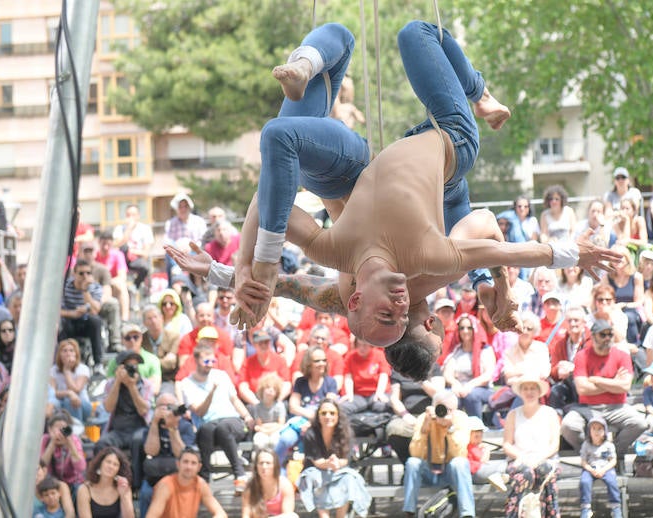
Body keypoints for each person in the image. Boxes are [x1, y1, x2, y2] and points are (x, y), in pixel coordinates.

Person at [232, 21, 617, 348]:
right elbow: (513, 250)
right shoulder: (428, 259)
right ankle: (479, 94)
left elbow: (264, 204)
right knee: (415, 33)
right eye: (402, 316)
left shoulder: (331, 251)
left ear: (355, 301)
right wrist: (570, 255)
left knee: (286, 126)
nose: (402, 305)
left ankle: (305, 64)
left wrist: (244, 269)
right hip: (451, 138)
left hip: (361, 164)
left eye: (389, 313)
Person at [561, 319, 646, 456]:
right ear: (593, 337)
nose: (607, 338)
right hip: (587, 407)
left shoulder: (622, 356)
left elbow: (624, 386)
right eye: (602, 335)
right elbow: (582, 389)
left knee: (639, 423)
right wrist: (613, 382)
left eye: (610, 335)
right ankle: (590, 454)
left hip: (617, 407)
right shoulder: (582, 356)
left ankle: (614, 454)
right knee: (568, 426)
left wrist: (596, 380)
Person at [177, 342, 254, 491]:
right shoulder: (186, 384)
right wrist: (211, 392)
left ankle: (240, 475)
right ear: (196, 361)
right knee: (209, 428)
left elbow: (234, 400)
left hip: (231, 421)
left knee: (223, 427)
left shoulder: (221, 376)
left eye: (213, 361)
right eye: (206, 361)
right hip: (208, 428)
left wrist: (247, 416)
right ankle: (205, 479)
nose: (210, 365)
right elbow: (199, 412)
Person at [402, 390, 475, 518]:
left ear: (455, 409)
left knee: (460, 463)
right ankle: (409, 511)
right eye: (441, 408)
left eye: (450, 409)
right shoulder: (424, 418)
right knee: (412, 463)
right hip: (429, 471)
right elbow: (415, 453)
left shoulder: (461, 418)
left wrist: (450, 428)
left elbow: (460, 453)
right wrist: (426, 428)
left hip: (450, 471)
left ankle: (467, 514)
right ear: (434, 407)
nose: (445, 412)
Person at [297, 400, 371, 517]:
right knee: (315, 477)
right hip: (315, 469)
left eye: (332, 413)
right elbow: (317, 462)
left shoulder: (346, 432)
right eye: (324, 413)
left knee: (348, 478)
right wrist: (330, 463)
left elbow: (345, 459)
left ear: (338, 415)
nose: (328, 416)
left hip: (338, 469)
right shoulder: (311, 433)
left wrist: (336, 463)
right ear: (318, 415)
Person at [501, 375, 560, 518]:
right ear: (520, 393)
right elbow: (507, 444)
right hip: (519, 461)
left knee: (543, 470)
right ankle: (514, 514)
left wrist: (539, 458)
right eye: (526, 389)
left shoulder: (550, 413)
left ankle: (547, 514)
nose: (529, 392)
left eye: (533, 388)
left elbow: (554, 445)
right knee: (525, 473)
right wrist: (522, 457)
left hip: (545, 459)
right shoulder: (513, 415)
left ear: (539, 391)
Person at [96, 350, 154, 490]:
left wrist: (131, 386)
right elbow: (108, 407)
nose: (132, 369)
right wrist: (117, 382)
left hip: (139, 427)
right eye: (128, 366)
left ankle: (136, 485)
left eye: (135, 366)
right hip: (118, 430)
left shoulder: (145, 384)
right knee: (102, 443)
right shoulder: (110, 383)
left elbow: (143, 410)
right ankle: (105, 484)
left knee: (137, 441)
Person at [275, 346, 339, 465]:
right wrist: (310, 417)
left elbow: (328, 409)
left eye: (324, 360)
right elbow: (293, 406)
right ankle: (275, 470)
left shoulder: (330, 382)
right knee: (285, 439)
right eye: (317, 361)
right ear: (308, 363)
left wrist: (312, 422)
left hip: (321, 425)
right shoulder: (300, 382)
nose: (322, 364)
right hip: (300, 424)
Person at [138, 393, 196, 517]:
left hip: (177, 475)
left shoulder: (185, 426)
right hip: (155, 476)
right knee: (146, 493)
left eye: (169, 406)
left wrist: (173, 428)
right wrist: (154, 424)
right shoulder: (151, 426)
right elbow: (150, 451)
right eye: (162, 406)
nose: (166, 410)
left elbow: (181, 454)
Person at [146, 448, 227, 518]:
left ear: (199, 467)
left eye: (193, 463)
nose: (189, 467)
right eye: (185, 462)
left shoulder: (200, 484)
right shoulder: (166, 485)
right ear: (178, 464)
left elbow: (221, 513)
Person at [441, 314, 494, 418]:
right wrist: (455, 384)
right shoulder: (456, 351)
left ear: (475, 329)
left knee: (471, 395)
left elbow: (488, 375)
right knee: (447, 396)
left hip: (481, 388)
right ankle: (452, 429)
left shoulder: (485, 350)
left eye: (469, 327)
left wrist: (470, 385)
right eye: (462, 328)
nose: (465, 331)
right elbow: (448, 374)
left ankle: (476, 427)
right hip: (459, 388)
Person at [59, 260, 105, 372]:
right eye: (81, 273)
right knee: (62, 323)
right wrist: (73, 314)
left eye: (88, 273)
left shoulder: (95, 287)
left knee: (96, 321)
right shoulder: (65, 286)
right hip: (69, 322)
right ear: (74, 274)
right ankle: (63, 361)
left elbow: (96, 309)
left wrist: (85, 291)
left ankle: (98, 363)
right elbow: (57, 310)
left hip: (86, 322)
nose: (85, 276)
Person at [579, 416, 622, 518]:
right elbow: (583, 461)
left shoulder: (608, 445)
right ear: (589, 431)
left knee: (612, 481)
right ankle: (586, 507)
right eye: (593, 429)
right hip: (591, 468)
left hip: (605, 468)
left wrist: (603, 469)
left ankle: (615, 506)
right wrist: (591, 470)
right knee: (584, 481)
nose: (596, 432)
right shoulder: (586, 444)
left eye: (599, 429)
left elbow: (613, 460)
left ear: (605, 431)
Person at [339, 336, 391, 417]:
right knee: (343, 407)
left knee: (381, 405)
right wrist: (349, 394)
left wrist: (379, 393)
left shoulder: (379, 355)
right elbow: (348, 377)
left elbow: (383, 375)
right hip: (358, 395)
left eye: (365, 345)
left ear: (371, 345)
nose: (361, 348)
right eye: (359, 345)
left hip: (376, 392)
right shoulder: (350, 357)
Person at [76, 446, 134, 518]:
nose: (111, 466)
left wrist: (124, 496)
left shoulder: (123, 488)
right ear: (100, 464)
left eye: (115, 464)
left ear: (119, 470)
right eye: (108, 462)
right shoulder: (84, 489)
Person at [106, 323, 162, 396]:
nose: (132, 341)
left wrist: (137, 383)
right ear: (122, 340)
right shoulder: (115, 361)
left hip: (146, 401)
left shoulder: (153, 360)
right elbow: (109, 390)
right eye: (128, 338)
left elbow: (155, 389)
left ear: (141, 338)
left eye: (136, 337)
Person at [163, 193, 207, 285]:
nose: (183, 209)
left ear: (189, 207)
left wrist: (191, 247)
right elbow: (167, 241)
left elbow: (203, 240)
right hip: (177, 252)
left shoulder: (199, 221)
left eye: (185, 206)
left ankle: (194, 285)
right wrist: (178, 248)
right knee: (169, 251)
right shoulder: (170, 223)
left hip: (194, 251)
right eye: (180, 207)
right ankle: (175, 277)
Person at [241, 448, 298, 518]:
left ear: (275, 465)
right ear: (256, 466)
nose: (264, 467)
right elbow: (246, 515)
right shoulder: (250, 487)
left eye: (268, 463)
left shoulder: (285, 485)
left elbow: (287, 514)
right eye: (261, 463)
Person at [40, 411, 87, 497]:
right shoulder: (45, 439)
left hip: (73, 483)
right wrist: (52, 443)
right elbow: (42, 465)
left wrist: (70, 443)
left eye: (64, 428)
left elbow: (81, 468)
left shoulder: (74, 440)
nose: (61, 432)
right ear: (50, 429)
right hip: (51, 482)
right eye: (58, 428)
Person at [112, 203, 154, 291]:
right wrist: (129, 229)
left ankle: (135, 286)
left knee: (145, 266)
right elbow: (116, 245)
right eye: (128, 215)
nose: (131, 217)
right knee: (124, 247)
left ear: (138, 216)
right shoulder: (119, 229)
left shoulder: (145, 229)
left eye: (133, 215)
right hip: (123, 260)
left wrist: (132, 251)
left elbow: (145, 253)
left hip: (137, 260)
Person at [49, 339, 93, 423]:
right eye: (64, 351)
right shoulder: (53, 370)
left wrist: (66, 371)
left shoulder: (83, 369)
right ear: (59, 354)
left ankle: (74, 432)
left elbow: (76, 390)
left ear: (76, 353)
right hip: (61, 403)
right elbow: (52, 392)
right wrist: (68, 393)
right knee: (55, 404)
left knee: (70, 401)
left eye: (71, 351)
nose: (68, 354)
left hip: (81, 403)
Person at [249, 372, 287, 450]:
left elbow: (281, 424)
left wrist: (267, 428)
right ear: (262, 389)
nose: (271, 390)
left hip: (276, 432)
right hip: (262, 432)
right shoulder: (257, 407)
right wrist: (272, 426)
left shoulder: (280, 406)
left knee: (276, 441)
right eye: (268, 387)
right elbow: (259, 425)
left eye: (274, 389)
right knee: (259, 441)